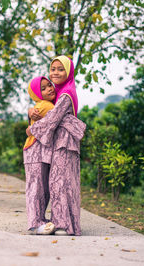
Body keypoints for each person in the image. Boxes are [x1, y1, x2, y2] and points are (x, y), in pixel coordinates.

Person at [27, 56, 86, 236]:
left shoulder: (66, 93)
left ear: (69, 71)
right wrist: (31, 111)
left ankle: (63, 225)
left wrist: (32, 130)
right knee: (59, 182)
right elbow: (44, 109)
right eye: (53, 69)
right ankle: (63, 224)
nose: (56, 73)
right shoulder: (59, 92)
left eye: (61, 69)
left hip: (65, 142)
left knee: (59, 182)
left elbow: (52, 119)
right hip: (59, 142)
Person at [23, 76, 56, 235]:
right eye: (43, 88)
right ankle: (35, 224)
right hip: (34, 152)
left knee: (43, 189)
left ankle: (39, 220)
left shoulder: (43, 105)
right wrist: (30, 113)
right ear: (36, 94)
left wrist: (29, 113)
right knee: (36, 189)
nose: (49, 89)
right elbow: (30, 129)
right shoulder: (46, 106)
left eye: (49, 85)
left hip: (40, 152)